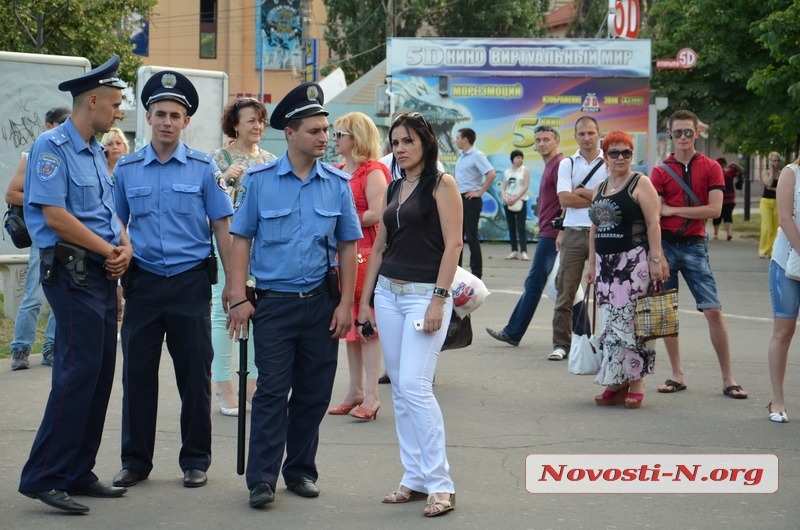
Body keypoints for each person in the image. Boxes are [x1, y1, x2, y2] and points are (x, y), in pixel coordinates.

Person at [225, 82, 361, 508]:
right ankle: (261, 479)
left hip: (321, 303)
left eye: (326, 130)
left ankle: (300, 471)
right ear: (290, 133)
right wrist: (238, 297)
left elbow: (348, 246)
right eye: (315, 130)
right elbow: (240, 239)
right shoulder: (260, 181)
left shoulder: (337, 184)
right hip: (275, 304)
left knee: (314, 392)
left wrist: (345, 305)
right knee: (270, 391)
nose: (325, 137)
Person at [18, 55, 131, 514]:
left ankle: (78, 471)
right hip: (72, 273)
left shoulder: (92, 151)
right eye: (116, 103)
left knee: (100, 372)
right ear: (92, 100)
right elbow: (57, 217)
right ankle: (45, 475)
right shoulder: (53, 147)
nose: (119, 111)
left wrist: (124, 246)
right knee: (75, 373)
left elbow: (106, 215)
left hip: (101, 275)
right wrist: (109, 252)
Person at [112, 71, 234, 490]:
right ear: (148, 117)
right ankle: (135, 461)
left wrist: (234, 285)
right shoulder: (126, 169)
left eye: (174, 115)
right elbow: (116, 226)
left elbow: (222, 224)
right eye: (160, 113)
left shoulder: (203, 168)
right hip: (142, 282)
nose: (166, 121)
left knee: (194, 376)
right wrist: (115, 285)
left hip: (189, 283)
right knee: (138, 376)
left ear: (186, 122)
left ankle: (195, 459)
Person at [356, 112, 462, 517]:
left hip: (424, 298)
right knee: (399, 390)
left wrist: (439, 298)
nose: (400, 149)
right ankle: (415, 477)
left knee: (416, 389)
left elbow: (453, 246)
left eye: (407, 142)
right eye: (395, 142)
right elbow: (380, 248)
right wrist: (365, 300)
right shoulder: (397, 185)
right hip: (388, 294)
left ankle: (441, 483)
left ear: (426, 142)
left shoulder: (442, 184)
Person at [650, 109, 747, 399]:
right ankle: (677, 374)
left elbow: (715, 210)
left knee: (713, 310)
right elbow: (655, 214)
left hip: (694, 245)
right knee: (667, 315)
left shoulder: (711, 167)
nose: (682, 137)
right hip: (665, 245)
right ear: (670, 135)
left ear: (697, 133)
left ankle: (729, 378)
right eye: (677, 132)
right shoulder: (659, 171)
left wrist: (675, 210)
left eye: (688, 132)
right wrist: (657, 255)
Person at [485, 126, 587, 347]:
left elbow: (567, 198)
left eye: (546, 139)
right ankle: (585, 334)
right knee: (565, 285)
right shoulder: (550, 165)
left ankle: (514, 332)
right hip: (548, 232)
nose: (541, 143)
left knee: (536, 283)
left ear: (557, 141)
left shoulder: (560, 164)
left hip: (553, 234)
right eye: (538, 140)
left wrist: (561, 229)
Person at [586, 131, 666, 409]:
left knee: (633, 324)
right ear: (605, 156)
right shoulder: (599, 187)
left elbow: (654, 224)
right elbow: (594, 230)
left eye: (626, 152)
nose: (620, 158)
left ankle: (637, 380)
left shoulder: (641, 183)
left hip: (633, 263)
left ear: (633, 155)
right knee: (610, 325)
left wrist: (656, 260)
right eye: (614, 153)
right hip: (606, 266)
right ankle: (617, 379)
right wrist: (591, 264)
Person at [210, 97, 276, 416]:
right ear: (235, 125)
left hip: (262, 245)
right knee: (224, 312)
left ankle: (252, 383)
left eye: (260, 120)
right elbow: (208, 204)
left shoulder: (270, 159)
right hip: (228, 242)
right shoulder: (218, 158)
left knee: (257, 310)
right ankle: (223, 385)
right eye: (251, 120)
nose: (257, 126)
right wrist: (225, 178)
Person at [328, 112, 390, 420]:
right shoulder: (339, 170)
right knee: (349, 328)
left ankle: (372, 396)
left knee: (367, 327)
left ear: (357, 137)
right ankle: (355, 391)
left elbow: (378, 213)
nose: (335, 139)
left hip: (366, 251)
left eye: (340, 134)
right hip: (346, 252)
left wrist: (343, 222)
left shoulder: (372, 170)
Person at [5, 107, 68, 371]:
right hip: (42, 237)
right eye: (60, 125)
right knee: (34, 294)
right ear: (47, 125)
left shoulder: (71, 155)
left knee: (62, 296)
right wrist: (44, 197)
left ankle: (51, 347)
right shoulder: (31, 155)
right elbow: (11, 194)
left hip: (67, 235)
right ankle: (20, 349)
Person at [550, 116, 609, 361]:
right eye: (582, 133)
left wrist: (583, 193)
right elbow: (564, 200)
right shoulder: (567, 164)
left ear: (598, 134)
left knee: (608, 292)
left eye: (591, 133)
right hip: (574, 233)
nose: (586, 137)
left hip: (605, 233)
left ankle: (608, 342)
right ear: (575, 136)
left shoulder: (609, 161)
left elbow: (611, 199)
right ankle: (561, 345)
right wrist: (597, 197)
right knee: (566, 291)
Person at [766, 155, 800, 423]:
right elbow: (786, 220)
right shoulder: (791, 173)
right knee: (784, 331)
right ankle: (777, 401)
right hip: (786, 262)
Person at [100, 126, 130, 341]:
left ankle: (122, 320)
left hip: (127, 230)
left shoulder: (130, 168)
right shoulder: (100, 169)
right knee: (114, 279)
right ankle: (115, 322)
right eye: (110, 144)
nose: (114, 147)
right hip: (107, 231)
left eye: (118, 143)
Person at [454, 127, 495, 279]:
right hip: (459, 200)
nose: (456, 140)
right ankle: (456, 271)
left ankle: (476, 274)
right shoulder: (462, 156)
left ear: (465, 139)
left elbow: (491, 173)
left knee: (471, 237)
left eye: (458, 137)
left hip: (471, 200)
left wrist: (479, 192)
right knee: (457, 238)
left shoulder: (477, 155)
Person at [501, 149, 531, 260]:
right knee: (511, 227)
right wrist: (505, 198)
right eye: (518, 157)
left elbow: (525, 186)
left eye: (521, 157)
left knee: (521, 227)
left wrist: (516, 198)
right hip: (508, 201)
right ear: (512, 159)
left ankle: (524, 251)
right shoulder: (507, 172)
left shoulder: (525, 170)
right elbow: (503, 187)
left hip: (520, 201)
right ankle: (514, 251)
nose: (520, 160)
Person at [712, 157, 742, 241]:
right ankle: (729, 233)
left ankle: (716, 234)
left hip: (719, 197)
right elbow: (742, 171)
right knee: (727, 216)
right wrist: (734, 164)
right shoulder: (730, 172)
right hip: (730, 197)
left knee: (717, 216)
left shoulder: (716, 172)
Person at [760, 152, 781, 258]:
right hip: (766, 202)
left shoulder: (782, 173)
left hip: (778, 202)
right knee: (767, 227)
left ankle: (772, 250)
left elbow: (781, 189)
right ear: (770, 161)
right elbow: (768, 183)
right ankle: (763, 250)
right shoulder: (766, 172)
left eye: (777, 161)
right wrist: (772, 171)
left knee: (776, 228)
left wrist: (773, 189)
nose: (776, 163)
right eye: (774, 161)